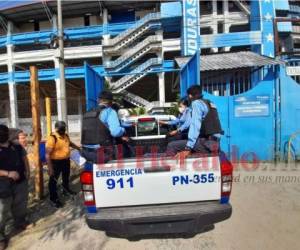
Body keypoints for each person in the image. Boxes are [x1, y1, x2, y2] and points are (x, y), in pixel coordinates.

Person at [166, 85, 223, 158]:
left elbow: (195, 125)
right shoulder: (209, 103)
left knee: (171, 145)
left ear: (190, 96)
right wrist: (179, 131)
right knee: (180, 137)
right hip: (215, 143)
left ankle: (174, 168)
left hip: (207, 144)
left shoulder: (196, 103)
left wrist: (188, 148)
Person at [0, 125, 30, 250]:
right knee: (2, 209)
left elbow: (24, 158)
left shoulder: (16, 145)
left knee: (20, 203)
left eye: (4, 132)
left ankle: (20, 222)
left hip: (20, 182)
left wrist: (28, 171)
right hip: (2, 185)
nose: (3, 135)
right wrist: (8, 173)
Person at [81, 90, 128, 163]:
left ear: (98, 100)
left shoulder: (87, 113)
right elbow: (115, 132)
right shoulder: (109, 111)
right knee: (128, 149)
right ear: (111, 102)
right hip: (103, 153)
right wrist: (123, 130)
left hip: (86, 153)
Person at [46, 121, 80, 208]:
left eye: (64, 128)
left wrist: (78, 148)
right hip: (56, 162)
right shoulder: (52, 138)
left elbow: (70, 143)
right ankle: (53, 199)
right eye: (61, 129)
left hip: (66, 161)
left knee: (66, 176)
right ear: (56, 129)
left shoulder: (66, 135)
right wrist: (50, 168)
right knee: (53, 181)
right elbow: (47, 154)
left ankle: (66, 190)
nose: (63, 130)